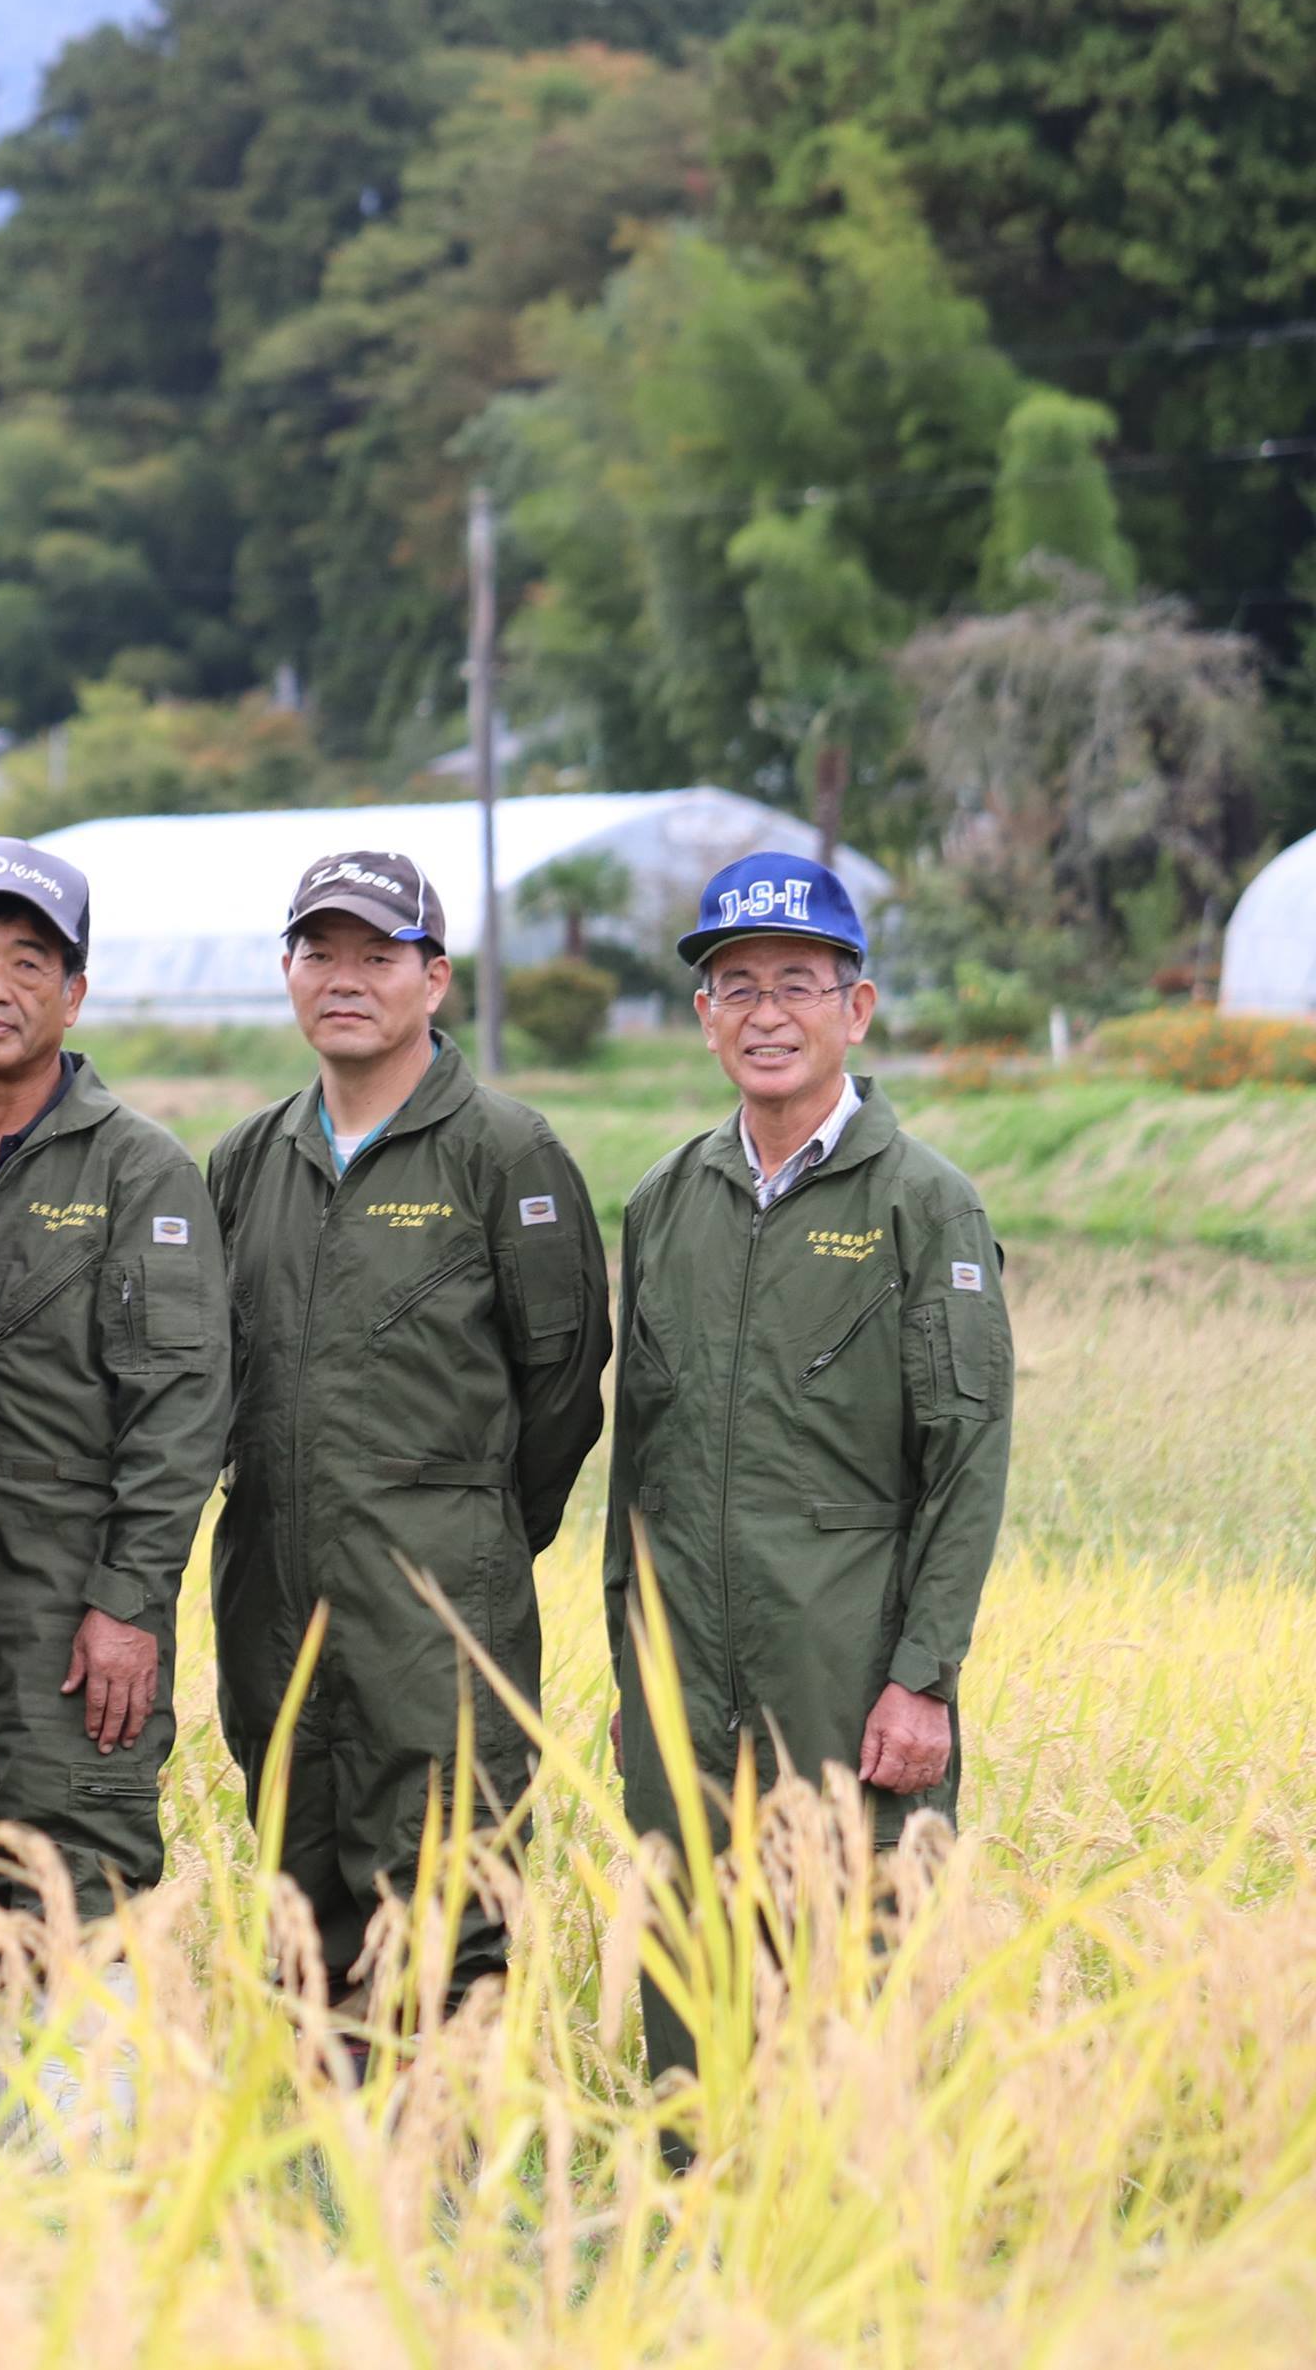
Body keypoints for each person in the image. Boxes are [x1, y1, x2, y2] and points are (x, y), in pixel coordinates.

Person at [610, 854, 1010, 2082]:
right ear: (703, 1016)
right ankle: (694, 2187)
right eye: (737, 986)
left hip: (845, 1674)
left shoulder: (923, 1206)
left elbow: (966, 1461)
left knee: (853, 1994)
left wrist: (922, 1679)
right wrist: (632, 1666)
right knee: (691, 1981)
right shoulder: (665, 1201)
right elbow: (638, 1466)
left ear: (856, 1009)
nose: (766, 1014)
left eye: (797, 983)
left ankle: (850, 2195)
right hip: (685, 1675)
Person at [203, 849, 610, 2013]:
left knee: (445, 1925)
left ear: (433, 979)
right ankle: (324, 2131)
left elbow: (562, 1389)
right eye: (318, 952)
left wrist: (461, 1531)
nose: (344, 978)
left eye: (377, 956)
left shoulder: (506, 1155)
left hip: (436, 1620)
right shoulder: (247, 1159)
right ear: (287, 971)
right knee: (302, 1928)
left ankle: (446, 2133)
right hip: (273, 1611)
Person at [0, 837, 228, 1938]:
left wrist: (127, 1605)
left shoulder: (138, 1169)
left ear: (73, 996)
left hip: (66, 1610)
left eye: (28, 963)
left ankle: (79, 2066)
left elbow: (179, 1411)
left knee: (77, 1902)